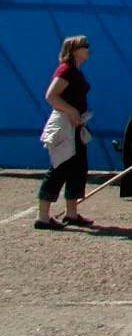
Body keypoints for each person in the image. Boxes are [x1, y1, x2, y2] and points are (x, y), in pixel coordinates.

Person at [35, 35, 94, 230]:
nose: (88, 48)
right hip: (64, 124)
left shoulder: (75, 71)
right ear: (74, 50)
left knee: (77, 167)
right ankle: (43, 217)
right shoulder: (66, 70)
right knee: (59, 166)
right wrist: (71, 110)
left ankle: (71, 213)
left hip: (75, 125)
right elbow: (51, 96)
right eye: (84, 46)